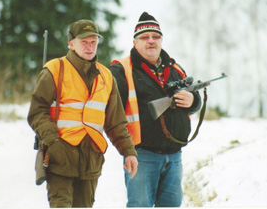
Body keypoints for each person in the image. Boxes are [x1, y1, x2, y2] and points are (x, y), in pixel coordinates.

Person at [27, 19, 138, 208]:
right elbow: (37, 112)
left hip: (91, 161)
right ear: (71, 43)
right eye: (84, 41)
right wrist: (54, 142)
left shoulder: (106, 77)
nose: (89, 46)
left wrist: (128, 152)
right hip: (60, 159)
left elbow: (116, 123)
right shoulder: (54, 70)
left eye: (93, 42)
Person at [109, 12, 202, 207]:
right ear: (135, 43)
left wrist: (192, 99)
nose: (151, 41)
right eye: (144, 37)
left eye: (156, 36)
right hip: (142, 155)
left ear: (161, 40)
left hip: (174, 155)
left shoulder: (175, 68)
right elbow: (110, 111)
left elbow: (195, 102)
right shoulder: (122, 70)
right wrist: (127, 151)